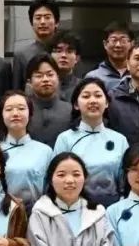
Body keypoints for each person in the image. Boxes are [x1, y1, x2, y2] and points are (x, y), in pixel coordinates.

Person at [52, 77, 129, 207]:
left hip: (112, 206)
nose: (93, 101)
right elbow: (56, 179)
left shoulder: (120, 139)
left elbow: (125, 182)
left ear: (107, 103)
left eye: (98, 96)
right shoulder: (65, 139)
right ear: (76, 105)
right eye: (86, 96)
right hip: (75, 206)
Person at [0, 91, 51, 208]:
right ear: (1, 115)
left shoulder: (45, 151)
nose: (15, 113)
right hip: (1, 212)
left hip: (36, 213)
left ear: (30, 113)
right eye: (9, 109)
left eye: (21, 108)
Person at [24, 54, 73, 148]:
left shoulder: (70, 110)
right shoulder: (23, 110)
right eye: (39, 76)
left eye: (50, 75)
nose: (45, 79)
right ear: (29, 82)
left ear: (58, 77)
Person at [12, 0, 60, 90]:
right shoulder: (21, 55)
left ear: (57, 22)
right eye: (38, 18)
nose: (42, 22)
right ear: (31, 23)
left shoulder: (64, 52)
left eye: (47, 17)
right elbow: (17, 90)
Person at [85, 21, 133, 92]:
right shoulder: (93, 77)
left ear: (132, 44)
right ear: (105, 44)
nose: (118, 45)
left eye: (123, 40)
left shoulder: (138, 74)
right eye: (114, 40)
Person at [48, 30, 82, 101]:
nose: (63, 55)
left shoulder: (83, 87)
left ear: (77, 58)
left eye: (69, 51)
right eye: (58, 51)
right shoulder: (42, 85)